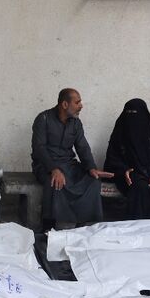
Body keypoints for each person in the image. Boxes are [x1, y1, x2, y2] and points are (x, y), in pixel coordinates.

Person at [31, 88, 112, 229]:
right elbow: (39, 149)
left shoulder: (76, 123)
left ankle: (82, 225)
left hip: (69, 165)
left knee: (92, 181)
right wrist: (54, 169)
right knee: (55, 182)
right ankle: (48, 228)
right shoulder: (43, 119)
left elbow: (83, 147)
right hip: (46, 165)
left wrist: (92, 168)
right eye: (77, 102)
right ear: (64, 104)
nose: (81, 106)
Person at [104, 98, 150, 219]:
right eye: (129, 113)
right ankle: (142, 228)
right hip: (131, 173)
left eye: (136, 113)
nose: (133, 118)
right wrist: (124, 170)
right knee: (141, 190)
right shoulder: (121, 129)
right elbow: (112, 157)